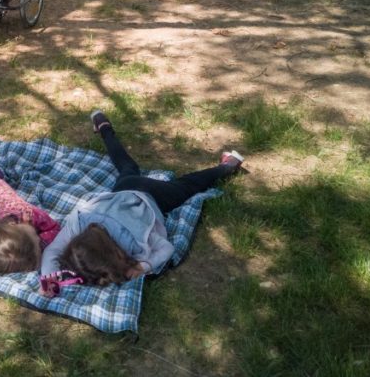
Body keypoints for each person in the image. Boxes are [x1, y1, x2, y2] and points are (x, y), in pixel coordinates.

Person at [38, 110, 244, 295]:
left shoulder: (134, 241)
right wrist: (49, 279)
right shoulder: (81, 222)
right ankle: (103, 125)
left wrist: (143, 266)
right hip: (126, 187)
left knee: (189, 185)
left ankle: (227, 167)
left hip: (154, 197)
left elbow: (166, 249)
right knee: (125, 165)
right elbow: (54, 251)